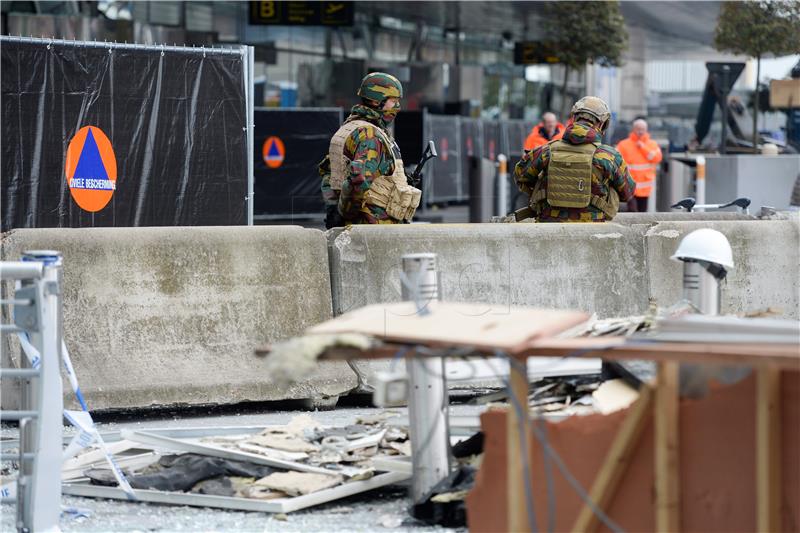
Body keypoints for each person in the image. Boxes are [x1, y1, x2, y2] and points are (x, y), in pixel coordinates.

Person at [319, 72, 421, 228]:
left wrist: (334, 211)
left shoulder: (348, 129)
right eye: (393, 101)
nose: (397, 107)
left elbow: (328, 175)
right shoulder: (369, 135)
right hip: (374, 227)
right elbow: (359, 180)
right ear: (376, 101)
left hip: (356, 226)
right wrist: (344, 214)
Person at [514, 96, 635, 222]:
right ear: (602, 123)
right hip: (593, 231)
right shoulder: (609, 156)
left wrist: (545, 188)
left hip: (549, 227)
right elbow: (628, 193)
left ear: (574, 118)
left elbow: (520, 175)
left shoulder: (547, 150)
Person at [616, 118, 663, 212]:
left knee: (642, 211)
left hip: (645, 187)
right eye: (638, 129)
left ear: (646, 130)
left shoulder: (652, 144)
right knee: (632, 210)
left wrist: (643, 147)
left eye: (643, 129)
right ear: (633, 129)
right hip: (629, 185)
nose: (640, 131)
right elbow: (616, 161)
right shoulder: (623, 145)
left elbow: (658, 158)